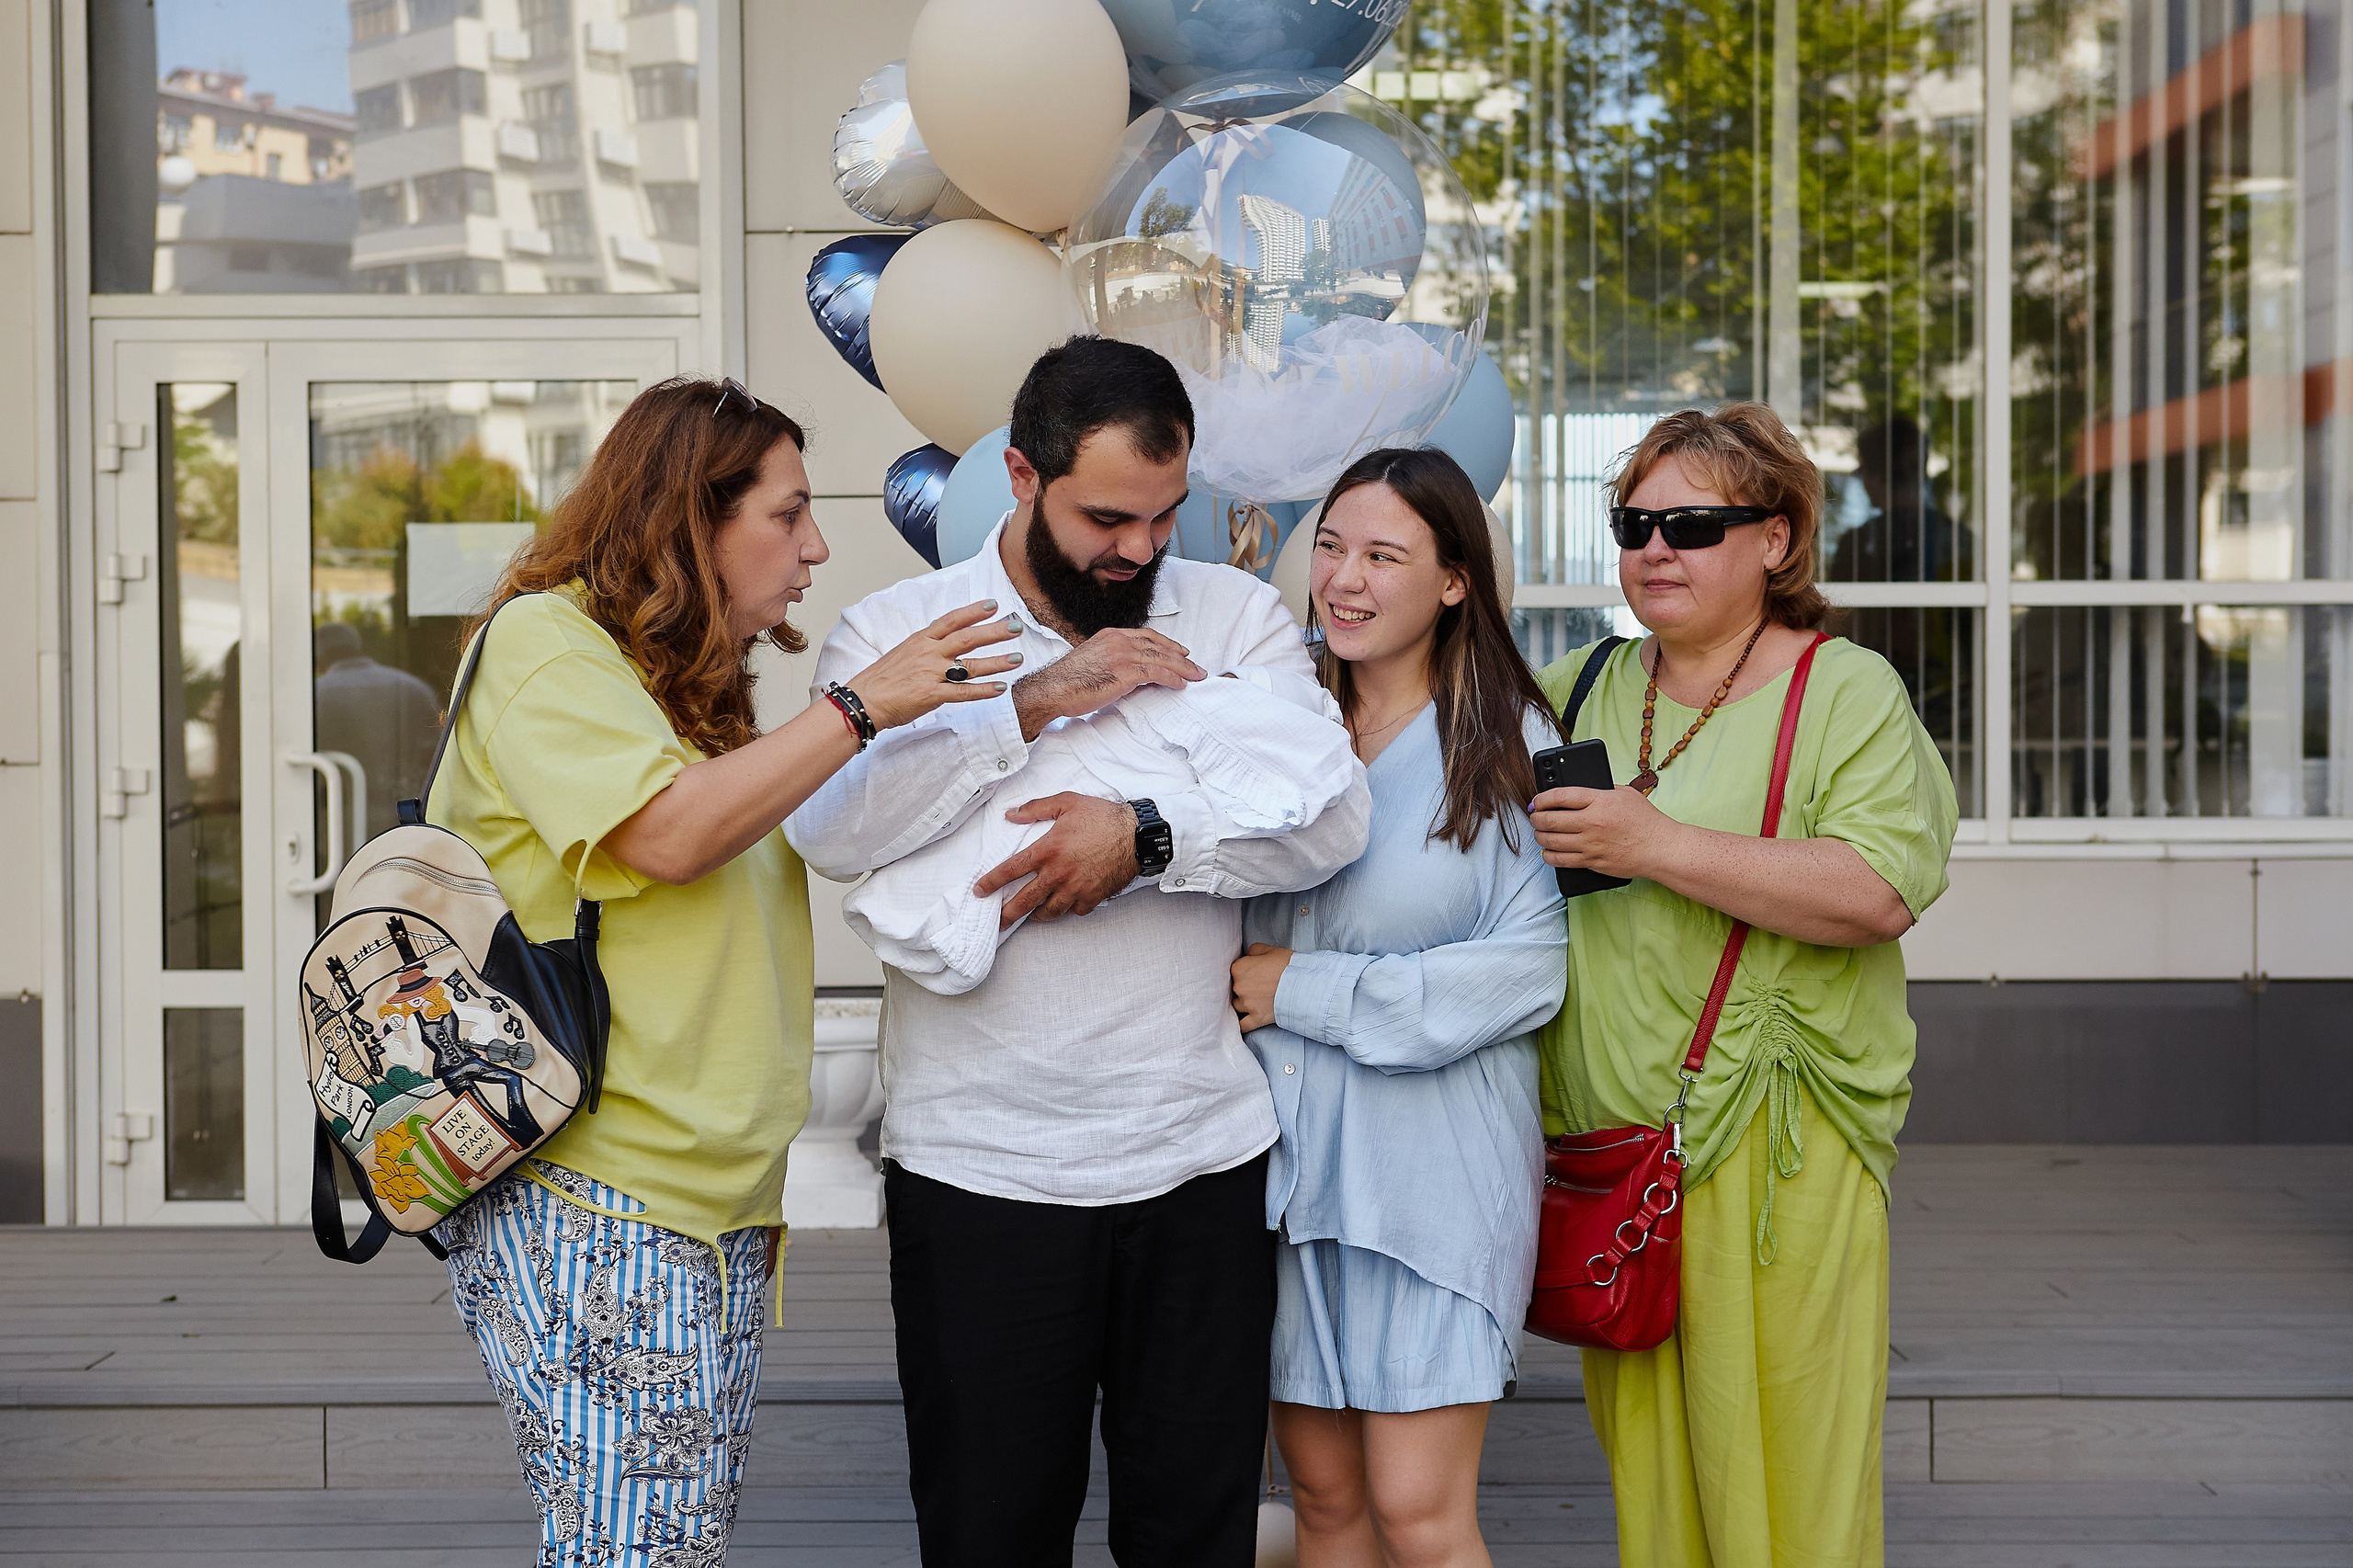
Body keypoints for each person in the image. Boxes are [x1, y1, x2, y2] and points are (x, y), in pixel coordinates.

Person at [788, 336, 1370, 1566]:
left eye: (1166, 515)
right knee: (991, 1534)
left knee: (1193, 1535)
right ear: (1018, 473)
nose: (1142, 551)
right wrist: (1035, 703)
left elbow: (1329, 820)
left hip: (1201, 1158)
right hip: (980, 1166)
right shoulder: (895, 633)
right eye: (1110, 516)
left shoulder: (1237, 614)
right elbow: (835, 834)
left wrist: (1147, 837)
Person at [425, 375, 1018, 1567]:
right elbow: (668, 834)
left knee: (661, 1545)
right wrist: (860, 703)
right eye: (788, 513)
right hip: (595, 1193)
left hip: (706, 1205)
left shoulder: (689, 691)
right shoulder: (548, 646)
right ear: (691, 518)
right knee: (635, 1551)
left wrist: (1021, 705)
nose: (818, 544)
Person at [1526, 403, 1959, 1567]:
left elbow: (1875, 888)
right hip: (1612, 1152)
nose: (1655, 547)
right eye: (1635, 522)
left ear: (1776, 539)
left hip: (1780, 1146)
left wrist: (1650, 841)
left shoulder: (1844, 689)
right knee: (1657, 1483)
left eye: (1694, 523)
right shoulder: (1575, 684)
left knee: (1793, 1465)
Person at [1230, 447, 1567, 1566]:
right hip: (1286, 1183)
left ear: (1455, 580)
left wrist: (1303, 987)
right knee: (1326, 1507)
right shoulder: (1280, 728)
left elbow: (1529, 970)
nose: (1344, 578)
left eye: (1384, 554)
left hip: (1429, 1190)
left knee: (1421, 1512)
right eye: (1329, 545)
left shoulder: (1513, 744)